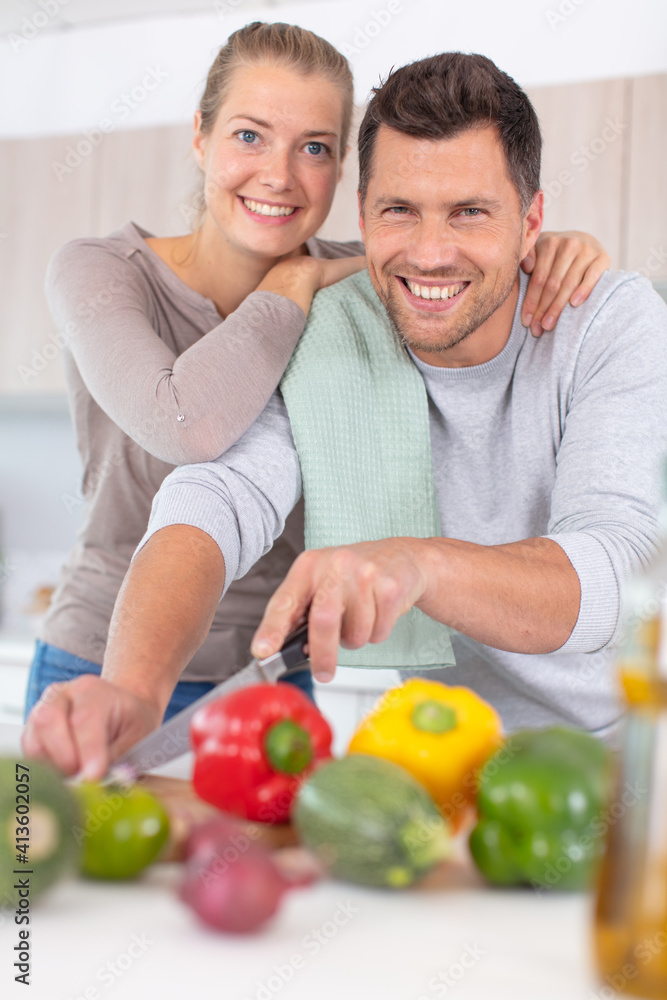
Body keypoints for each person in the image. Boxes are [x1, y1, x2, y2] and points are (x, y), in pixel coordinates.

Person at [22, 48, 625, 779]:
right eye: (399, 210)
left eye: (470, 212)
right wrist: (134, 688)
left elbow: (613, 567)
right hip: (430, 752)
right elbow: (213, 493)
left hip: (624, 756)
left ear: (531, 220)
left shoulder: (606, 323)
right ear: (364, 218)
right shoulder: (333, 320)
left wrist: (415, 563)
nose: (430, 253)